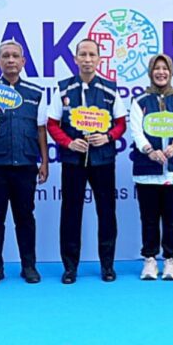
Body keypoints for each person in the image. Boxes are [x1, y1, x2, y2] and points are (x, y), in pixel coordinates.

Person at [47, 39, 127, 284]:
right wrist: (69, 143)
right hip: (73, 160)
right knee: (71, 212)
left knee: (106, 212)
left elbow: (121, 123)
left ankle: (107, 266)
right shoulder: (63, 89)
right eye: (83, 54)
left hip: (103, 160)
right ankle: (70, 267)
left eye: (92, 54)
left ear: (100, 59)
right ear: (75, 58)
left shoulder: (111, 89)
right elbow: (52, 124)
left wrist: (108, 136)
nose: (88, 59)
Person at [0, 40, 49, 286]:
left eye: (16, 56)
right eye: (5, 56)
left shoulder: (36, 93)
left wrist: (44, 162)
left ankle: (29, 266)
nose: (11, 60)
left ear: (23, 62)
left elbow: (40, 131)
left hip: (25, 165)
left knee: (25, 216)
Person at [129, 54, 173, 280]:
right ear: (150, 72)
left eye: (165, 68)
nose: (161, 72)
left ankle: (170, 260)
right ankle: (149, 260)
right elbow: (136, 131)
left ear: (171, 72)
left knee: (172, 218)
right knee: (148, 218)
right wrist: (149, 150)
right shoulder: (140, 102)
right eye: (156, 69)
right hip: (148, 170)